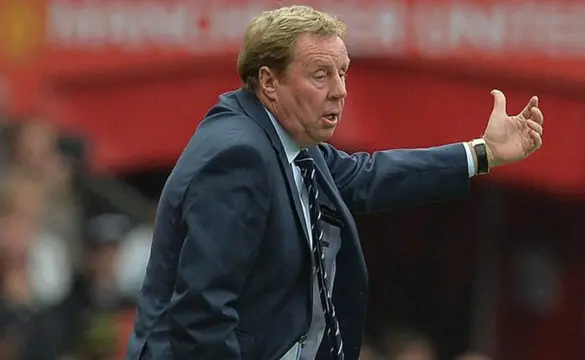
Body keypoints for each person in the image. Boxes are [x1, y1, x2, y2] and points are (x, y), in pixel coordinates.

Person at [125, 5, 544, 360]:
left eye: (343, 73)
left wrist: (482, 153)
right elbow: (201, 314)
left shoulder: (284, 140)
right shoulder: (239, 156)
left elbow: (366, 176)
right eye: (320, 75)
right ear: (269, 81)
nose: (340, 91)